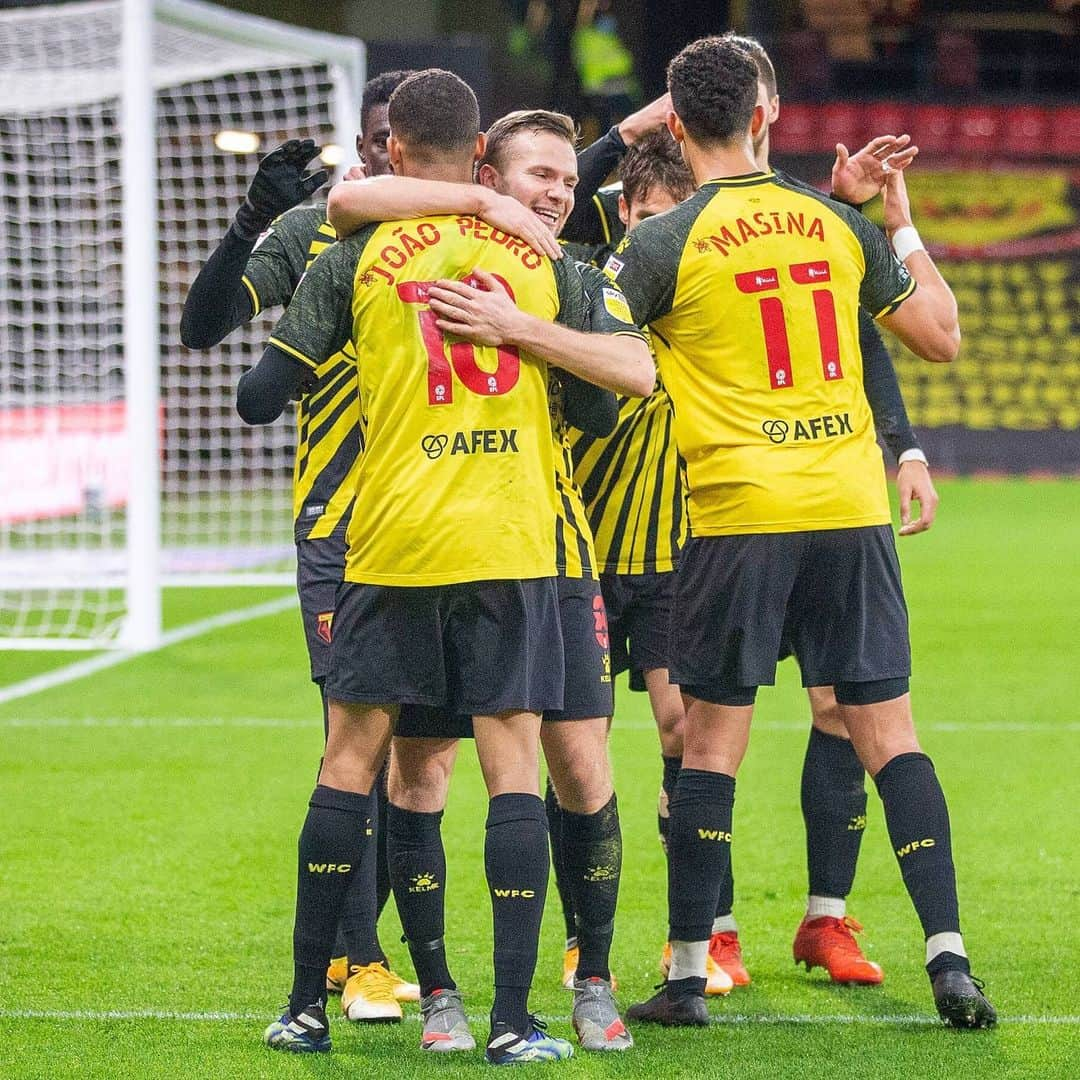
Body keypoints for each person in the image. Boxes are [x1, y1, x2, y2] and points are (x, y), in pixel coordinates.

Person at [246, 69, 653, 1061]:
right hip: (511, 541)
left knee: (358, 768)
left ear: (393, 153)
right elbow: (619, 395)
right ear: (482, 159)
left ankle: (309, 1005)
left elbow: (263, 392)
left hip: (388, 544)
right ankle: (514, 1021)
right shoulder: (540, 259)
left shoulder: (357, 253)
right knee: (516, 771)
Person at [604, 36, 994, 1030]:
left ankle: (689, 974)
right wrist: (896, 225)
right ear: (768, 116)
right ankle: (949, 958)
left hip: (739, 513)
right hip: (848, 509)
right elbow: (940, 337)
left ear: (677, 127)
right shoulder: (837, 225)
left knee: (712, 749)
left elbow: (603, 347)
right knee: (889, 735)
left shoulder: (663, 241)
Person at [179, 70, 426, 1022]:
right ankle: (362, 960)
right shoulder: (309, 235)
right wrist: (249, 219)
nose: (380, 155)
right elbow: (204, 329)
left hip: (443, 522)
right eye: (370, 139)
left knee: (420, 761)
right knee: (354, 744)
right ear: (362, 144)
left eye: (396, 139)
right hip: (339, 527)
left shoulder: (466, 240)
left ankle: (344, 952)